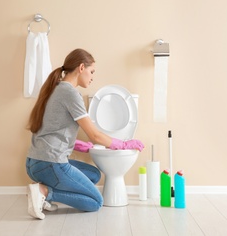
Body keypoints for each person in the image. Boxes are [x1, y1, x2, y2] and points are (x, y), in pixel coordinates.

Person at [25, 48, 144, 219]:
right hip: (50, 164)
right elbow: (95, 135)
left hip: (33, 163)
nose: (92, 77)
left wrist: (81, 146)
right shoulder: (70, 93)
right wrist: (124, 144)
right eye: (91, 71)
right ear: (81, 68)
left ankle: (41, 195)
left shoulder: (55, 88)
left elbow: (54, 129)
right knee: (96, 202)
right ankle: (44, 191)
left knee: (93, 174)